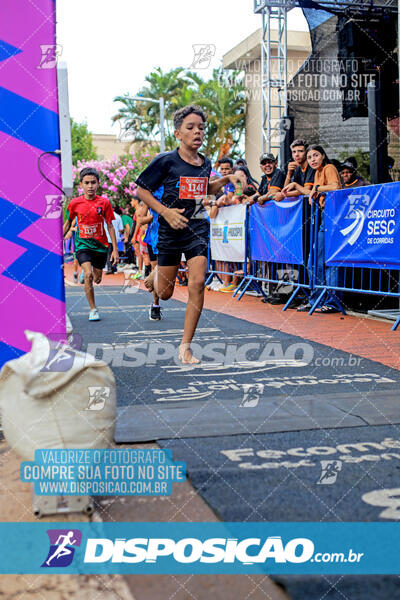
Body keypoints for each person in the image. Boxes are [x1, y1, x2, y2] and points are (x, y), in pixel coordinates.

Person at [135, 104, 246, 363]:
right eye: (190, 128)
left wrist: (227, 180)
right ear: (178, 133)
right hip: (170, 230)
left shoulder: (205, 162)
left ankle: (185, 347)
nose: (197, 132)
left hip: (196, 228)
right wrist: (165, 212)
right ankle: (155, 273)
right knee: (164, 293)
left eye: (201, 128)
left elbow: (204, 187)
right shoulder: (165, 161)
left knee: (197, 284)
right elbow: (142, 190)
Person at [283, 144, 342, 313]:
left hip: (333, 217)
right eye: (310, 157)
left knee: (325, 260)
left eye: (315, 155)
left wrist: (316, 189)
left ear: (323, 156)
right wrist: (295, 184)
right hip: (324, 217)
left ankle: (330, 301)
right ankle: (317, 298)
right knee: (315, 261)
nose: (312, 160)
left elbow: (335, 186)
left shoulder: (329, 167)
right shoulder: (317, 173)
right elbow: (310, 192)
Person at [63, 167, 119, 321]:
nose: (90, 186)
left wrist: (115, 250)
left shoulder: (104, 202)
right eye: (86, 183)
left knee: (97, 278)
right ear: (81, 184)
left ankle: (90, 271)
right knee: (88, 275)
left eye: (93, 183)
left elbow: (110, 226)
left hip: (100, 246)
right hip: (83, 245)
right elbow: (68, 223)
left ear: (98, 184)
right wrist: (57, 241)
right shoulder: (74, 203)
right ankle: (93, 309)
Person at [142, 186, 163, 320]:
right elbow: (141, 219)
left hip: (171, 236)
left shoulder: (175, 187)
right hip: (153, 238)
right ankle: (155, 305)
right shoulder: (149, 193)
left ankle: (152, 276)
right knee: (157, 271)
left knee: (164, 272)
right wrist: (154, 215)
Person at [105, 208, 123, 274]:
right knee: (114, 251)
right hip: (116, 238)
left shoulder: (105, 216)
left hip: (107, 237)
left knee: (109, 253)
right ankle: (114, 267)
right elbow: (121, 229)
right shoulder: (118, 217)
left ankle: (110, 268)